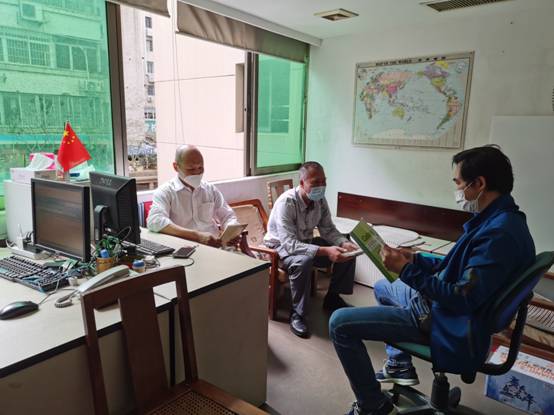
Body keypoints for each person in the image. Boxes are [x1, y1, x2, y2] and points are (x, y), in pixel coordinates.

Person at [329, 145, 535, 415]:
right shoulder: (501, 220)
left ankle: (372, 406)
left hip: (448, 321)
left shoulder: (498, 235)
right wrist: (415, 260)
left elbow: (461, 298)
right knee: (382, 287)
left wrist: (405, 270)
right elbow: (455, 266)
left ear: (479, 184)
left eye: (458, 183)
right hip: (450, 311)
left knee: (339, 323)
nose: (457, 191)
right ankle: (399, 365)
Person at [264, 161, 359, 338]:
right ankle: (297, 314)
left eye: (324, 181)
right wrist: (326, 251)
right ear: (302, 183)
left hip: (305, 242)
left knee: (346, 250)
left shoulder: (320, 200)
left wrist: (342, 242)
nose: (321, 186)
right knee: (304, 261)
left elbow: (328, 229)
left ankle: (333, 298)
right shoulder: (287, 203)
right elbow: (290, 244)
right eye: (315, 183)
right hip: (280, 249)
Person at [147, 145, 244, 249]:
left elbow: (228, 216)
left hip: (215, 247)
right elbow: (155, 221)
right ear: (176, 167)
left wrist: (232, 231)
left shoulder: (210, 189)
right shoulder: (166, 192)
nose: (197, 173)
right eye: (191, 169)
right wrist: (197, 236)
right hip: (183, 250)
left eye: (200, 168)